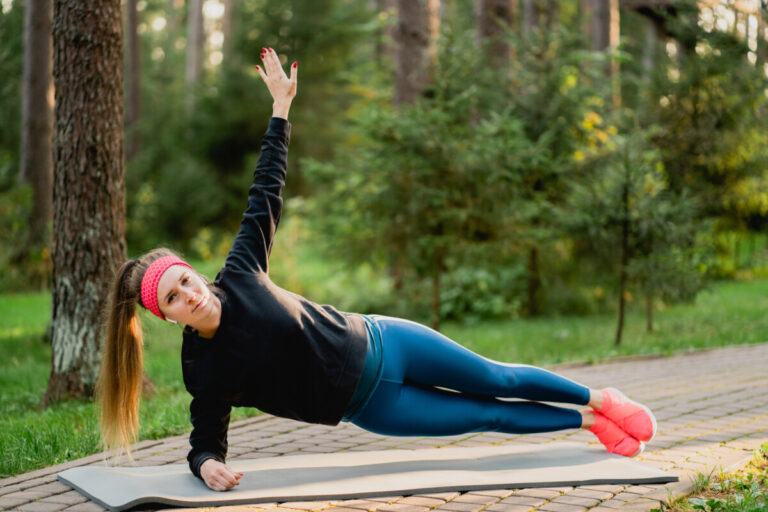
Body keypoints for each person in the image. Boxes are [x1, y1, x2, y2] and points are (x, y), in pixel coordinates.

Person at [97, 48, 657, 493]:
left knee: (499, 379)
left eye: (185, 280)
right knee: (487, 417)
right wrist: (207, 466)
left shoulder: (240, 273)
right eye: (173, 298)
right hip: (372, 406)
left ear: (195, 273)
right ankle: (591, 426)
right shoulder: (204, 368)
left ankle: (599, 399)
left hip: (387, 342)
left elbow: (264, 190)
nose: (190, 294)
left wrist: (281, 109)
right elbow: (204, 437)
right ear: (166, 317)